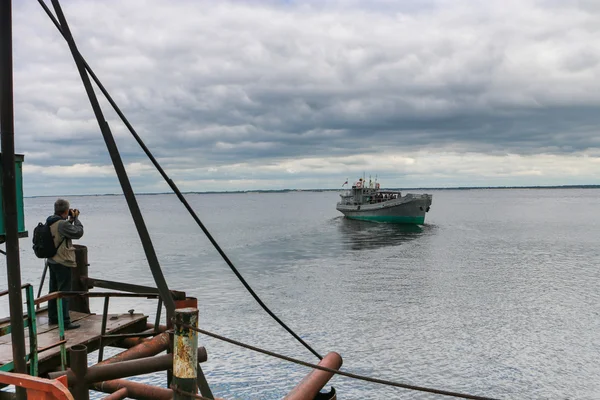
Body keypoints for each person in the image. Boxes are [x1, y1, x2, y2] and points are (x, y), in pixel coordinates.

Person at [47, 199, 84, 330]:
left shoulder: (50, 220)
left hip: (52, 260)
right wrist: (77, 219)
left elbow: (63, 231)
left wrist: (70, 220)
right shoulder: (62, 223)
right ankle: (65, 321)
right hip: (62, 261)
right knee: (64, 292)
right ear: (66, 210)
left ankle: (53, 318)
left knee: (53, 290)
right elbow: (78, 232)